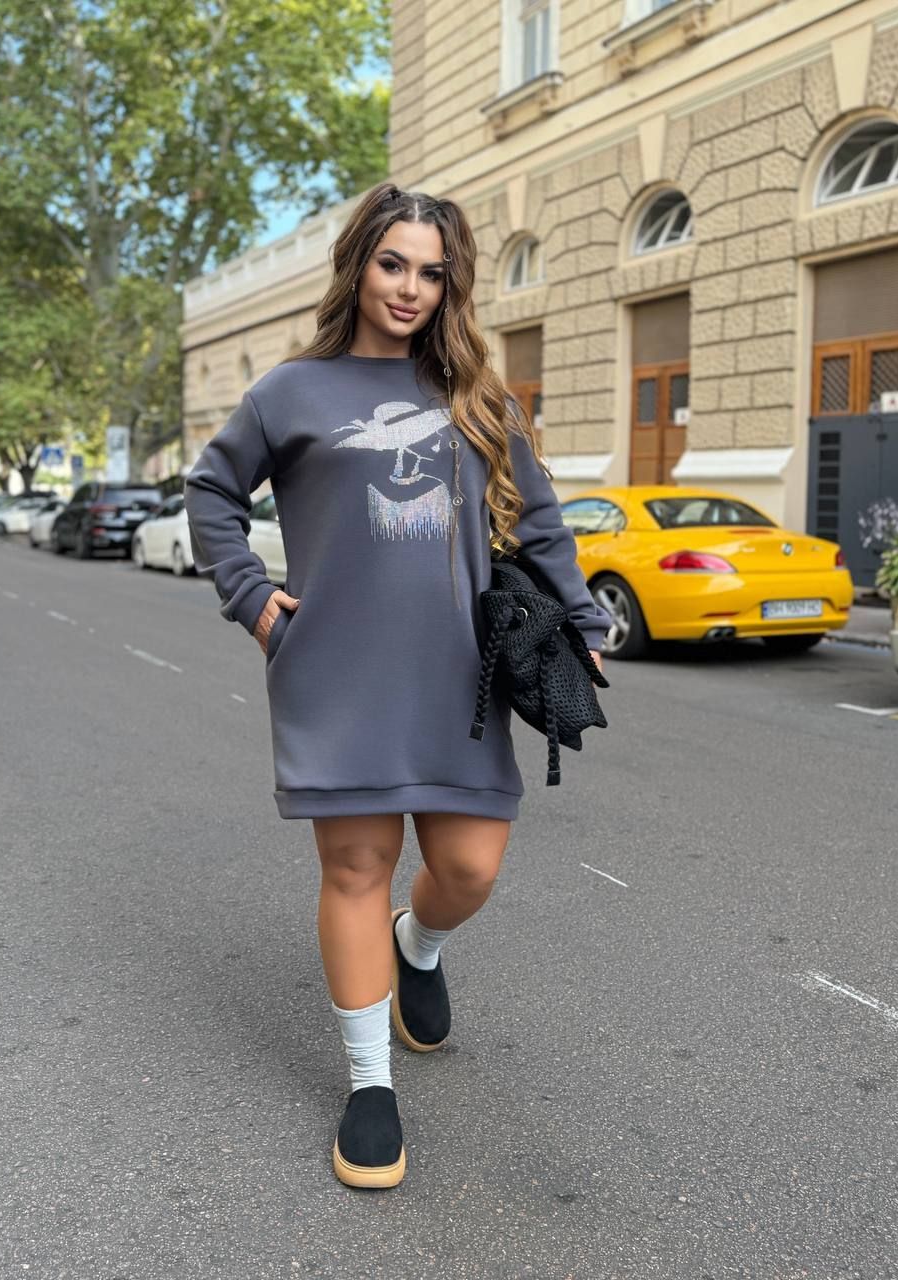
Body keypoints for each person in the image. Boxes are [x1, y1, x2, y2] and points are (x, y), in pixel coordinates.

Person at [183, 180, 613, 1191]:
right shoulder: (290, 392)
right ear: (358, 265)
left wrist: (584, 621)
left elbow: (539, 524)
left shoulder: (479, 397)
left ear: (451, 285)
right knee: (355, 866)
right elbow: (210, 490)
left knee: (469, 867)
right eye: (392, 264)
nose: (410, 288)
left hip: (460, 675)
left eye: (431, 272)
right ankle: (369, 1084)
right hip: (335, 671)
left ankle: (417, 945)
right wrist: (251, 598)